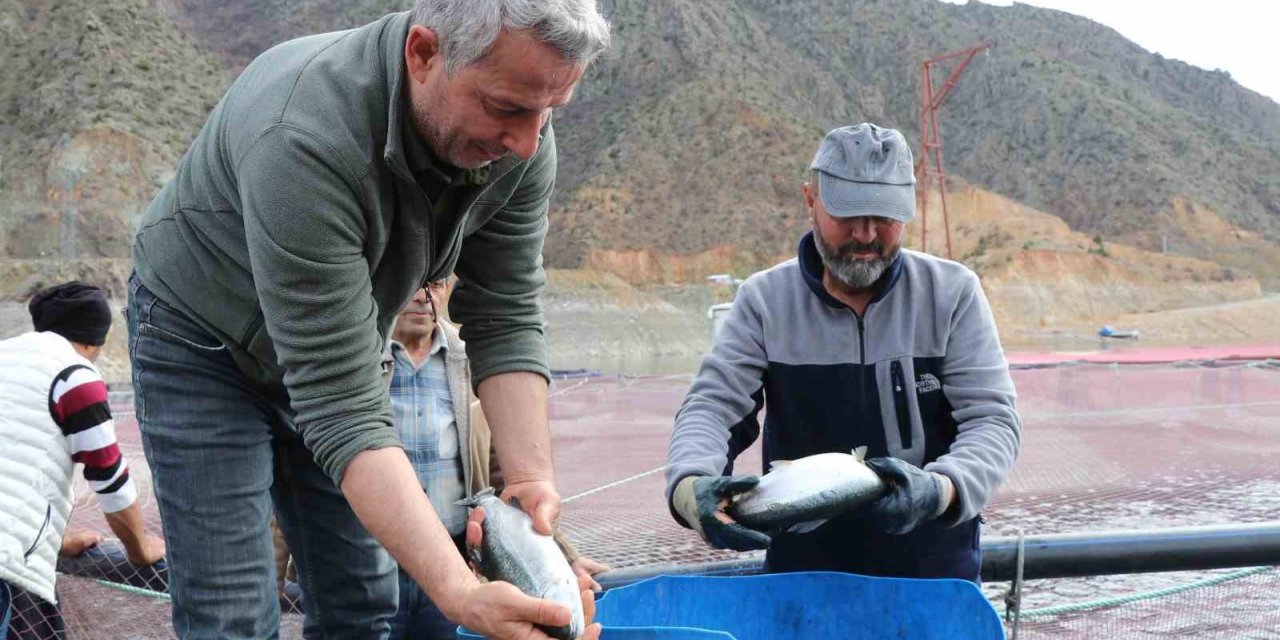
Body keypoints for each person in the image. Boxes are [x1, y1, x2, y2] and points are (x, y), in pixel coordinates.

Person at [125, 1, 610, 638]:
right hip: (202, 344)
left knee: (362, 599)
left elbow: (505, 309)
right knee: (232, 614)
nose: (526, 142)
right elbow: (340, 404)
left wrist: (529, 482)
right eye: (505, 108)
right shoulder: (303, 136)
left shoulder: (524, 141)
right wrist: (460, 593)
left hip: (343, 341)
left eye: (548, 111)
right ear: (424, 53)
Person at [665, 123, 1021, 582]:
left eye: (884, 217)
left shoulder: (952, 294)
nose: (866, 234)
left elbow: (992, 420)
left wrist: (942, 488)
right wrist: (690, 487)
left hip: (935, 576)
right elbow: (713, 408)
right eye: (848, 216)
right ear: (810, 199)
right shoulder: (764, 301)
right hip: (803, 579)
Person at [386, 280, 610, 639]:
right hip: (369, 569)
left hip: (458, 566)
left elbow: (508, 480)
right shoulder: (357, 362)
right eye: (411, 282)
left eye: (437, 283)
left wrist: (563, 557)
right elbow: (301, 470)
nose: (422, 296)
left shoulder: (474, 361)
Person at [0, 282, 166, 638]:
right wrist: (140, 547)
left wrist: (54, 542)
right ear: (93, 342)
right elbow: (111, 482)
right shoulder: (75, 376)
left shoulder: (7, 358)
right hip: (8, 573)